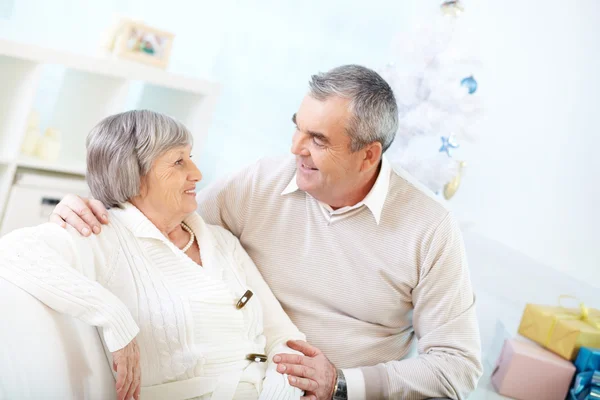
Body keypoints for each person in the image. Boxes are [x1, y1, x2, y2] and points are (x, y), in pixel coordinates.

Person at [51, 65, 483, 399]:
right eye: (297, 126)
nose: (296, 147)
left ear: (368, 155)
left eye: (318, 139)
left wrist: (343, 384)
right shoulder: (259, 183)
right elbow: (165, 228)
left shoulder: (429, 228)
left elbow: (457, 365)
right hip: (244, 377)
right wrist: (95, 207)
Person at [0, 110, 306, 400]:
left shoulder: (222, 242)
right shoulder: (104, 234)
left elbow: (286, 340)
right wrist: (114, 318)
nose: (197, 173)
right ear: (133, 174)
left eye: (192, 157)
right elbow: (11, 252)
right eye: (178, 162)